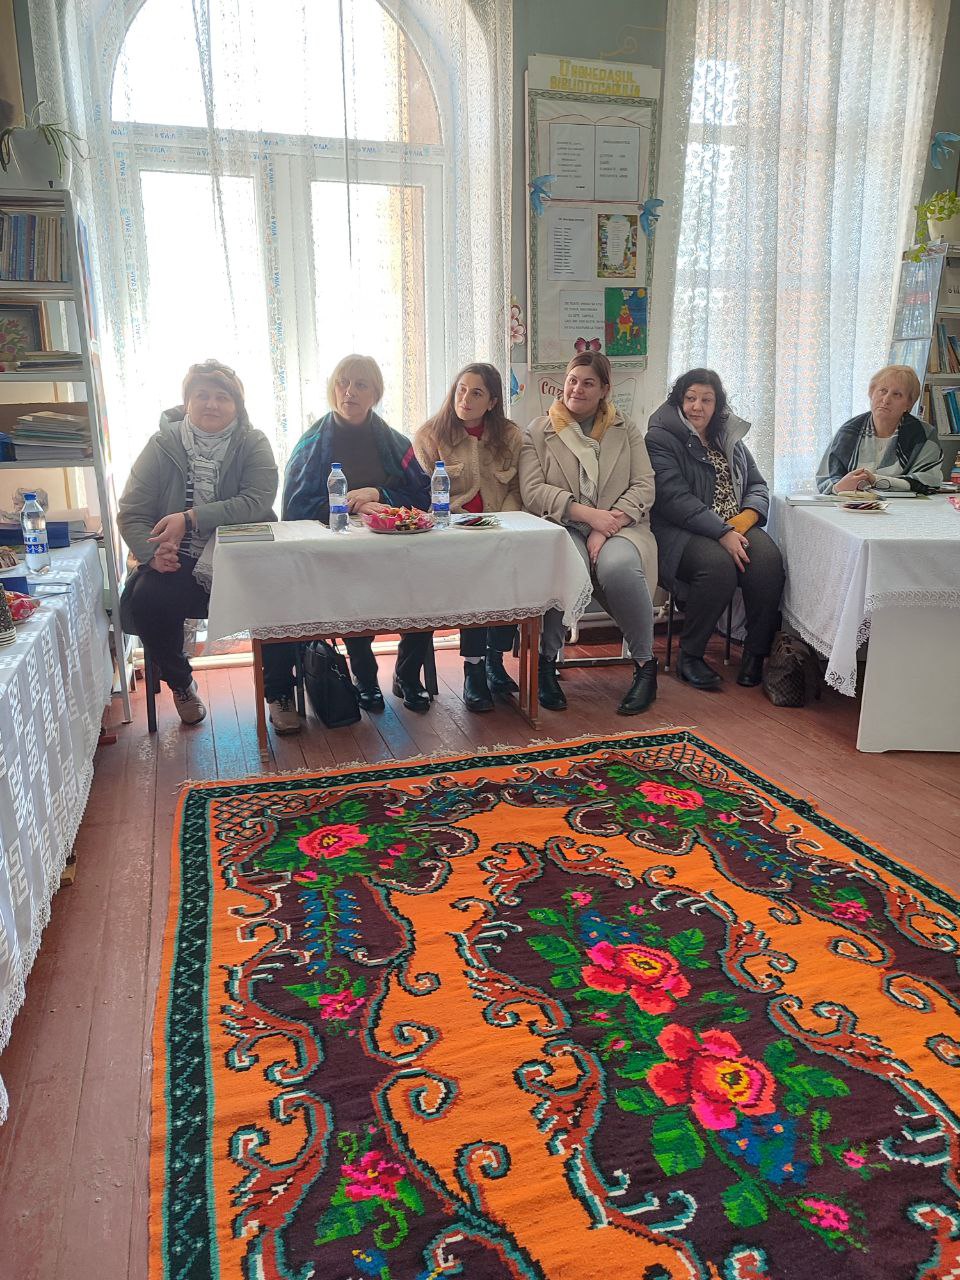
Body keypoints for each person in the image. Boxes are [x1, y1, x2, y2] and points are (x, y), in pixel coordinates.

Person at [262, 354, 434, 726]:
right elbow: (296, 507)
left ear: (376, 393)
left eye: (360, 385)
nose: (349, 392)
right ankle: (365, 676)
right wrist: (347, 506)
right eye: (342, 383)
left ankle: (407, 675)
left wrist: (378, 494)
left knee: (426, 585)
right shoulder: (311, 445)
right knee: (354, 588)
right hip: (338, 555)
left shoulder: (395, 443)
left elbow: (424, 496)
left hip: (397, 549)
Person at [118, 359, 278, 725]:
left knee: (282, 592)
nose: (212, 404)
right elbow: (131, 512)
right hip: (182, 558)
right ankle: (181, 682)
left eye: (222, 397)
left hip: (242, 556)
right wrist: (152, 553)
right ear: (187, 401)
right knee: (146, 597)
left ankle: (280, 690)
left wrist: (190, 517)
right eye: (202, 395)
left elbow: (256, 501)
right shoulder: (162, 445)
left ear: (237, 405)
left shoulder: (253, 442)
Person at [519, 351, 659, 716]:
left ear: (604, 390)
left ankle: (646, 665)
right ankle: (546, 663)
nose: (577, 389)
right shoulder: (538, 430)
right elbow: (533, 491)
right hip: (563, 525)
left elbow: (644, 485)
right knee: (566, 565)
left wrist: (607, 525)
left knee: (620, 567)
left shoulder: (625, 429)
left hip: (621, 526)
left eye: (588, 383)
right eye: (572, 381)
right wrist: (589, 517)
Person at [646, 368, 784, 691]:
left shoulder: (728, 436)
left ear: (717, 404)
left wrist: (746, 519)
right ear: (679, 401)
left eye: (706, 400)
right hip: (681, 531)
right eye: (691, 398)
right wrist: (722, 531)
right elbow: (673, 499)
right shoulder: (660, 438)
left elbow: (757, 485)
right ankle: (690, 656)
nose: (697, 406)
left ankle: (755, 654)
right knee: (718, 567)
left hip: (734, 525)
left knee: (768, 563)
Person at [414, 363, 523, 712]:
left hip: (501, 528)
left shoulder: (511, 436)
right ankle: (473, 669)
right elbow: (421, 495)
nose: (465, 399)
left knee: (514, 576)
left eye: (476, 393)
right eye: (461, 389)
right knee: (477, 582)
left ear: (492, 402)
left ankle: (495, 659)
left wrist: (503, 523)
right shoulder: (431, 435)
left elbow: (517, 488)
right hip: (452, 536)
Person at [816, 365, 944, 494]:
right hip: (851, 503)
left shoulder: (924, 434)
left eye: (897, 394)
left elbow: (929, 480)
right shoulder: (848, 431)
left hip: (906, 506)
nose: (886, 400)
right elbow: (825, 478)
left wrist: (876, 480)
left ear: (908, 403)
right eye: (883, 391)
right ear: (871, 393)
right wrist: (839, 487)